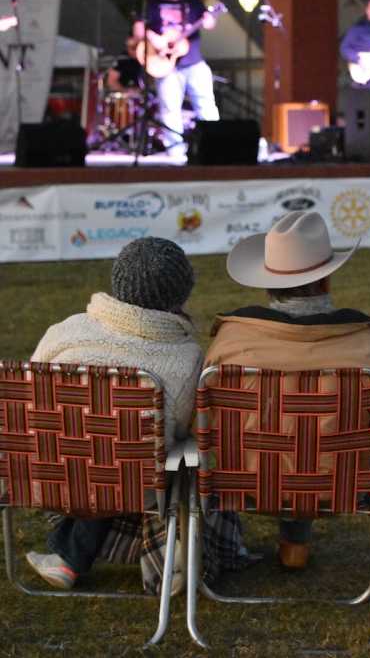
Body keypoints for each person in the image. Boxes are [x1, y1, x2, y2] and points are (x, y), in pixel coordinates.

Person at [25, 237, 249, 593]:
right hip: (135, 486)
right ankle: (172, 547)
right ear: (182, 293)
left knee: (104, 449)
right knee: (159, 453)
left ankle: (69, 557)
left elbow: (28, 398)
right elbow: (180, 429)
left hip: (46, 473)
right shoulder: (185, 357)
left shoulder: (65, 331)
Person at [204, 211, 370, 569]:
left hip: (246, 484)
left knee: (281, 431)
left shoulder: (229, 346)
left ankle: (293, 541)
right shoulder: (368, 348)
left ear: (267, 282)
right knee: (308, 439)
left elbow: (208, 422)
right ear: (327, 280)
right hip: (343, 487)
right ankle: (295, 544)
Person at [132, 0, 220, 157]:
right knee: (170, 110)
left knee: (206, 105)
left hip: (194, 61)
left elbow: (209, 23)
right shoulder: (152, 4)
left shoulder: (193, 1)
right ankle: (175, 152)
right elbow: (139, 28)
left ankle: (214, 146)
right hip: (165, 64)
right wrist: (155, 39)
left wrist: (210, 21)